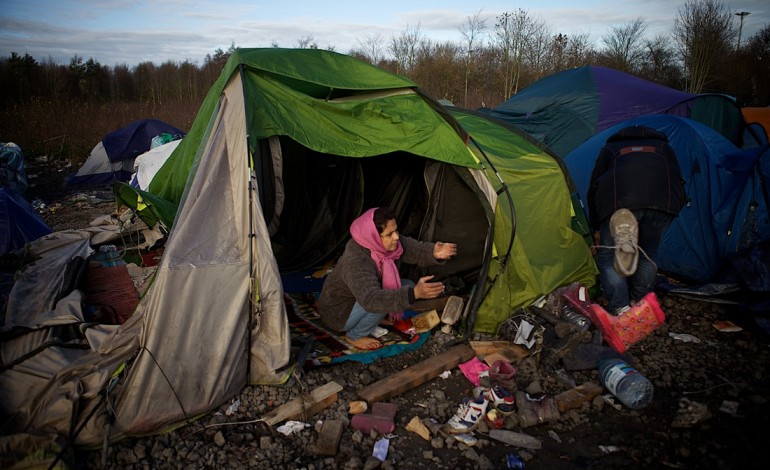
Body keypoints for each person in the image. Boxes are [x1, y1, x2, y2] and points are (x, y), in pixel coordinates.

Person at [318, 207, 457, 350]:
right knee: (387, 300)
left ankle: (372, 319)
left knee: (406, 285)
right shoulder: (356, 260)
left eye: (396, 230)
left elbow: (412, 248)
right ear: (373, 237)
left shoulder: (381, 243)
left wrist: (434, 251)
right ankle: (355, 335)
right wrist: (414, 293)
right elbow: (372, 300)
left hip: (358, 299)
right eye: (390, 234)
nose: (396, 237)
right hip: (338, 313)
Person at [587, 125, 686, 315]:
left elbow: (594, 186)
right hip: (661, 203)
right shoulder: (664, 147)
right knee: (648, 252)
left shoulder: (610, 148)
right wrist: (674, 209)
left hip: (619, 201)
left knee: (607, 256)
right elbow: (678, 179)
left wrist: (596, 227)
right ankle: (640, 302)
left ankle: (620, 307)